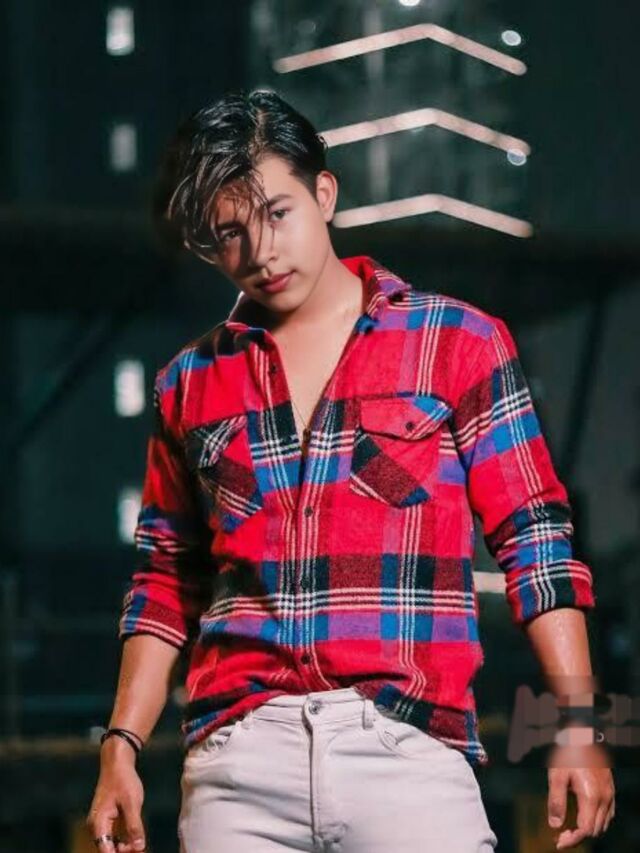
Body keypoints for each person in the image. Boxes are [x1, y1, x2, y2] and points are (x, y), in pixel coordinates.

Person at [87, 88, 615, 853]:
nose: (260, 252)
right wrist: (120, 746)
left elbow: (535, 538)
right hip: (239, 765)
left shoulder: (456, 342)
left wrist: (578, 723)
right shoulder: (188, 384)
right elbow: (165, 582)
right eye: (230, 233)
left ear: (325, 194)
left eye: (277, 213)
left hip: (408, 750)